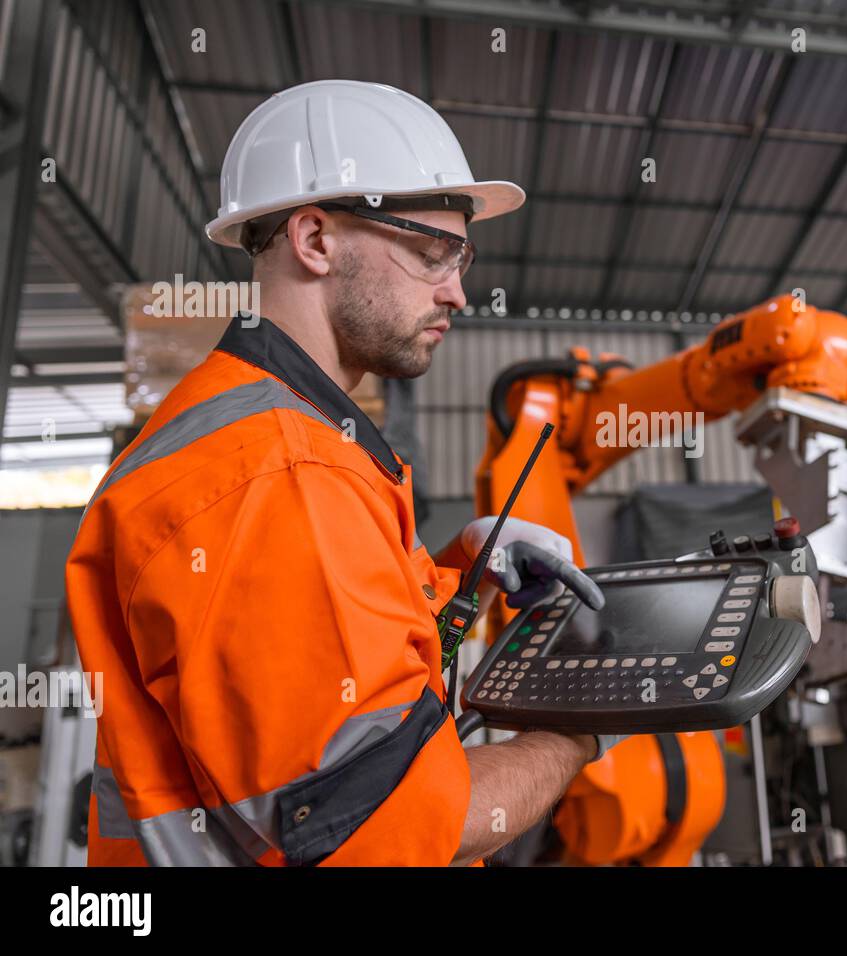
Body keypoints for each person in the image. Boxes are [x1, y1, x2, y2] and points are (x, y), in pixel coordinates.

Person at [65, 80, 625, 866]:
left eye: (463, 257)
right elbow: (392, 829)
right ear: (316, 240)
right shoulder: (274, 473)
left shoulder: (280, 430)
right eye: (434, 250)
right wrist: (574, 731)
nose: (458, 290)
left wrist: (463, 570)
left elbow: (342, 645)